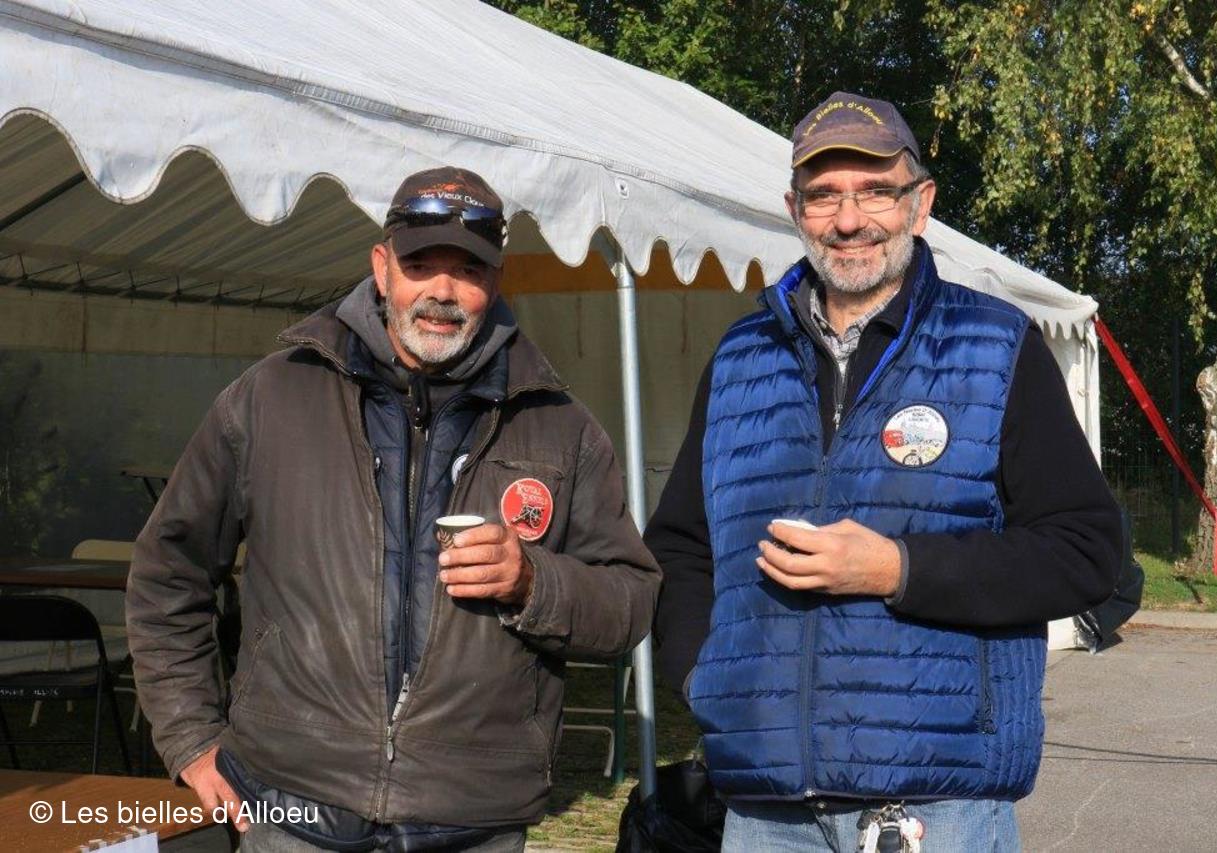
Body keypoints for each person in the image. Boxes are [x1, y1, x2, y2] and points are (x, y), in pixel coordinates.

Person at [126, 167, 661, 852]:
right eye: (420, 265)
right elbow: (168, 572)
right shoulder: (268, 399)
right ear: (382, 268)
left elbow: (630, 600)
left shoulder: (560, 426)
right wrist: (191, 737)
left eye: (467, 269)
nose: (443, 291)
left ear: (497, 280)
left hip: (472, 815)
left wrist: (533, 583)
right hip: (291, 805)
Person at [645, 92, 1122, 851]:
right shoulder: (741, 357)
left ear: (919, 204)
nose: (848, 219)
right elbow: (679, 544)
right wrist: (706, 678)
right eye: (823, 195)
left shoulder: (995, 346)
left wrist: (898, 568)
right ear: (794, 209)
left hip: (936, 803)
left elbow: (1086, 551)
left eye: (875, 191)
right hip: (765, 811)